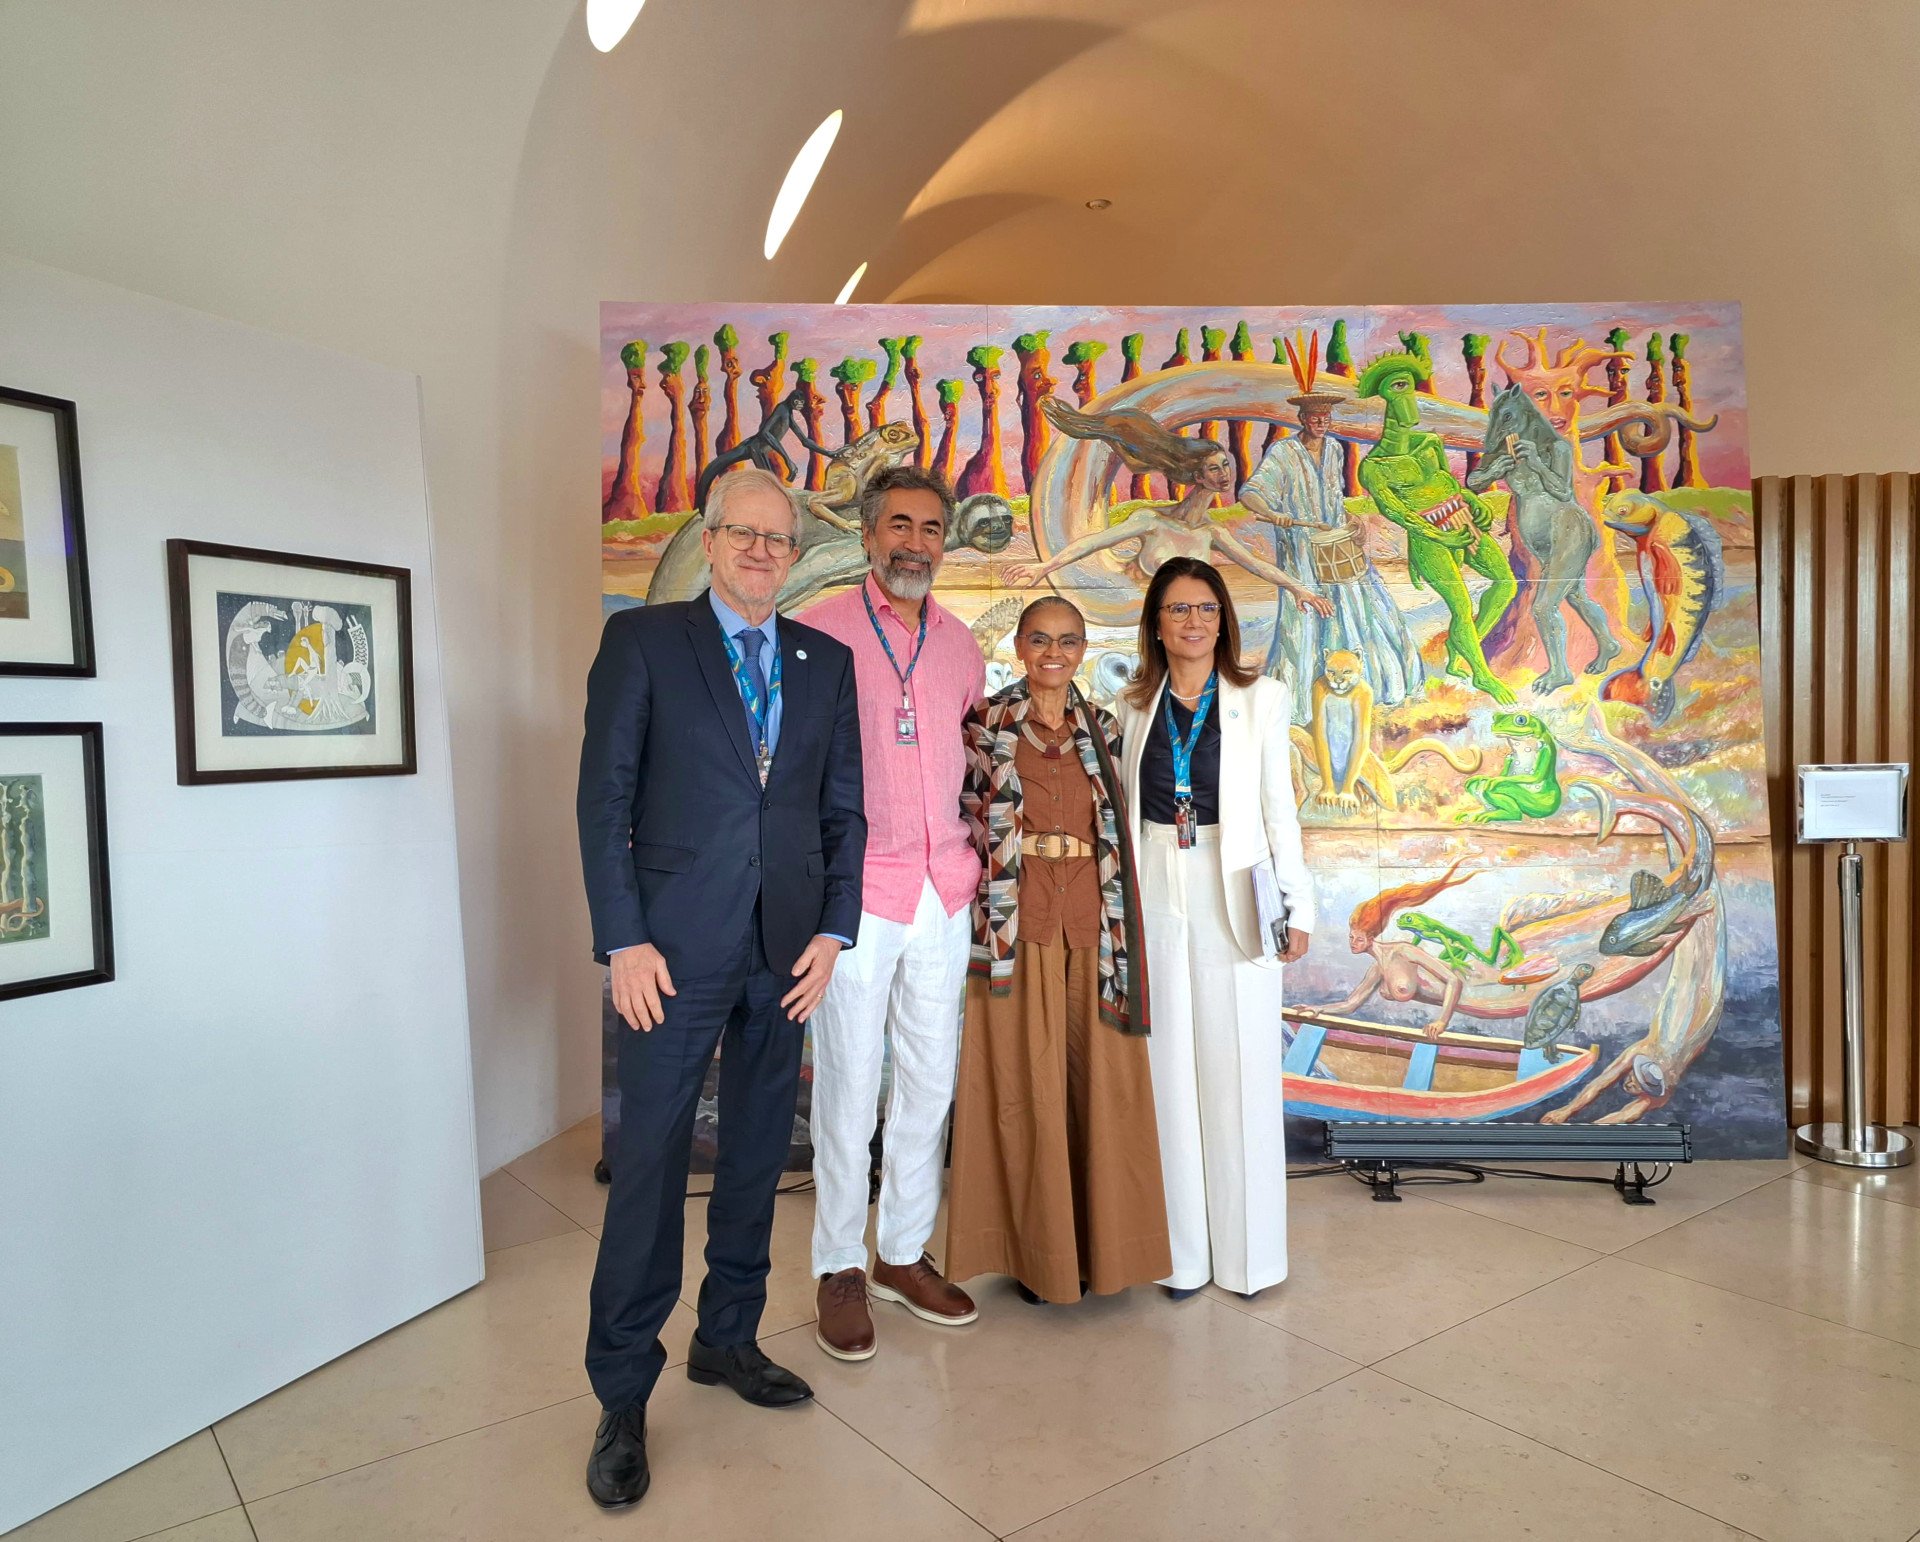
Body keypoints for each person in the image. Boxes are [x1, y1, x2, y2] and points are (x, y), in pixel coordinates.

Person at [575, 466, 866, 1511]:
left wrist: (836, 929)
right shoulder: (646, 645)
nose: (758, 551)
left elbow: (845, 812)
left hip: (786, 953)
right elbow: (603, 799)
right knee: (650, 1166)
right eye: (740, 534)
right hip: (672, 953)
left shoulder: (823, 662)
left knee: (753, 1155)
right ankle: (621, 1394)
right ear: (709, 539)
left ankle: (727, 1341)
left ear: (795, 553)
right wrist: (625, 941)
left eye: (776, 539)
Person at [798, 464, 987, 1361]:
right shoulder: (817, 634)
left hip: (942, 889)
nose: (916, 544)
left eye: (931, 529)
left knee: (929, 1077)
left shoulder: (963, 646)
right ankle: (839, 1263)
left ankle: (902, 1251)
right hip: (856, 892)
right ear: (868, 536)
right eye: (900, 527)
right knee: (845, 1082)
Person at [947, 596, 1170, 1304]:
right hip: (1014, 926)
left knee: (1097, 1082)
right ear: (1017, 644)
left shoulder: (1103, 726)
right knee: (1022, 1086)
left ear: (1082, 648)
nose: (1054, 652)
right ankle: (1036, 1255)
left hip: (1093, 925)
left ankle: (1102, 1250)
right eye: (1040, 638)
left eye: (1068, 640)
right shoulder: (984, 723)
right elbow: (958, 816)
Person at [1114, 557, 1315, 1301]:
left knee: (1240, 1074)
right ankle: (1180, 1258)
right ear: (1156, 625)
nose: (1193, 622)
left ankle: (1250, 1260)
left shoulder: (1262, 698)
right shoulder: (1133, 704)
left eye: (1206, 609)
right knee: (1168, 1073)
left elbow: (1278, 810)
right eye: (1177, 610)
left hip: (1238, 882)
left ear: (1224, 620)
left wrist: (1297, 906)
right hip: (1158, 881)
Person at [1003, 398, 1335, 629]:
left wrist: (1298, 589)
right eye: (1213, 469)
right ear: (1198, 476)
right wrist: (1044, 566)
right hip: (1128, 621)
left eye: (1225, 466)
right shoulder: (1151, 521)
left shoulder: (1211, 534)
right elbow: (1092, 543)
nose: (1223, 474)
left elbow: (1257, 564)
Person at [1240, 389, 1422, 723]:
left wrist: (1351, 519)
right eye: (1314, 417)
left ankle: (1371, 685)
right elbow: (1250, 494)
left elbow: (1334, 499)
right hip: (1301, 551)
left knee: (1363, 605)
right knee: (1309, 618)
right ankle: (1305, 701)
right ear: (1302, 419)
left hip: (1338, 545)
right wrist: (1274, 513)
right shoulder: (1283, 452)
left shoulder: (1335, 449)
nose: (1321, 422)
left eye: (1326, 417)